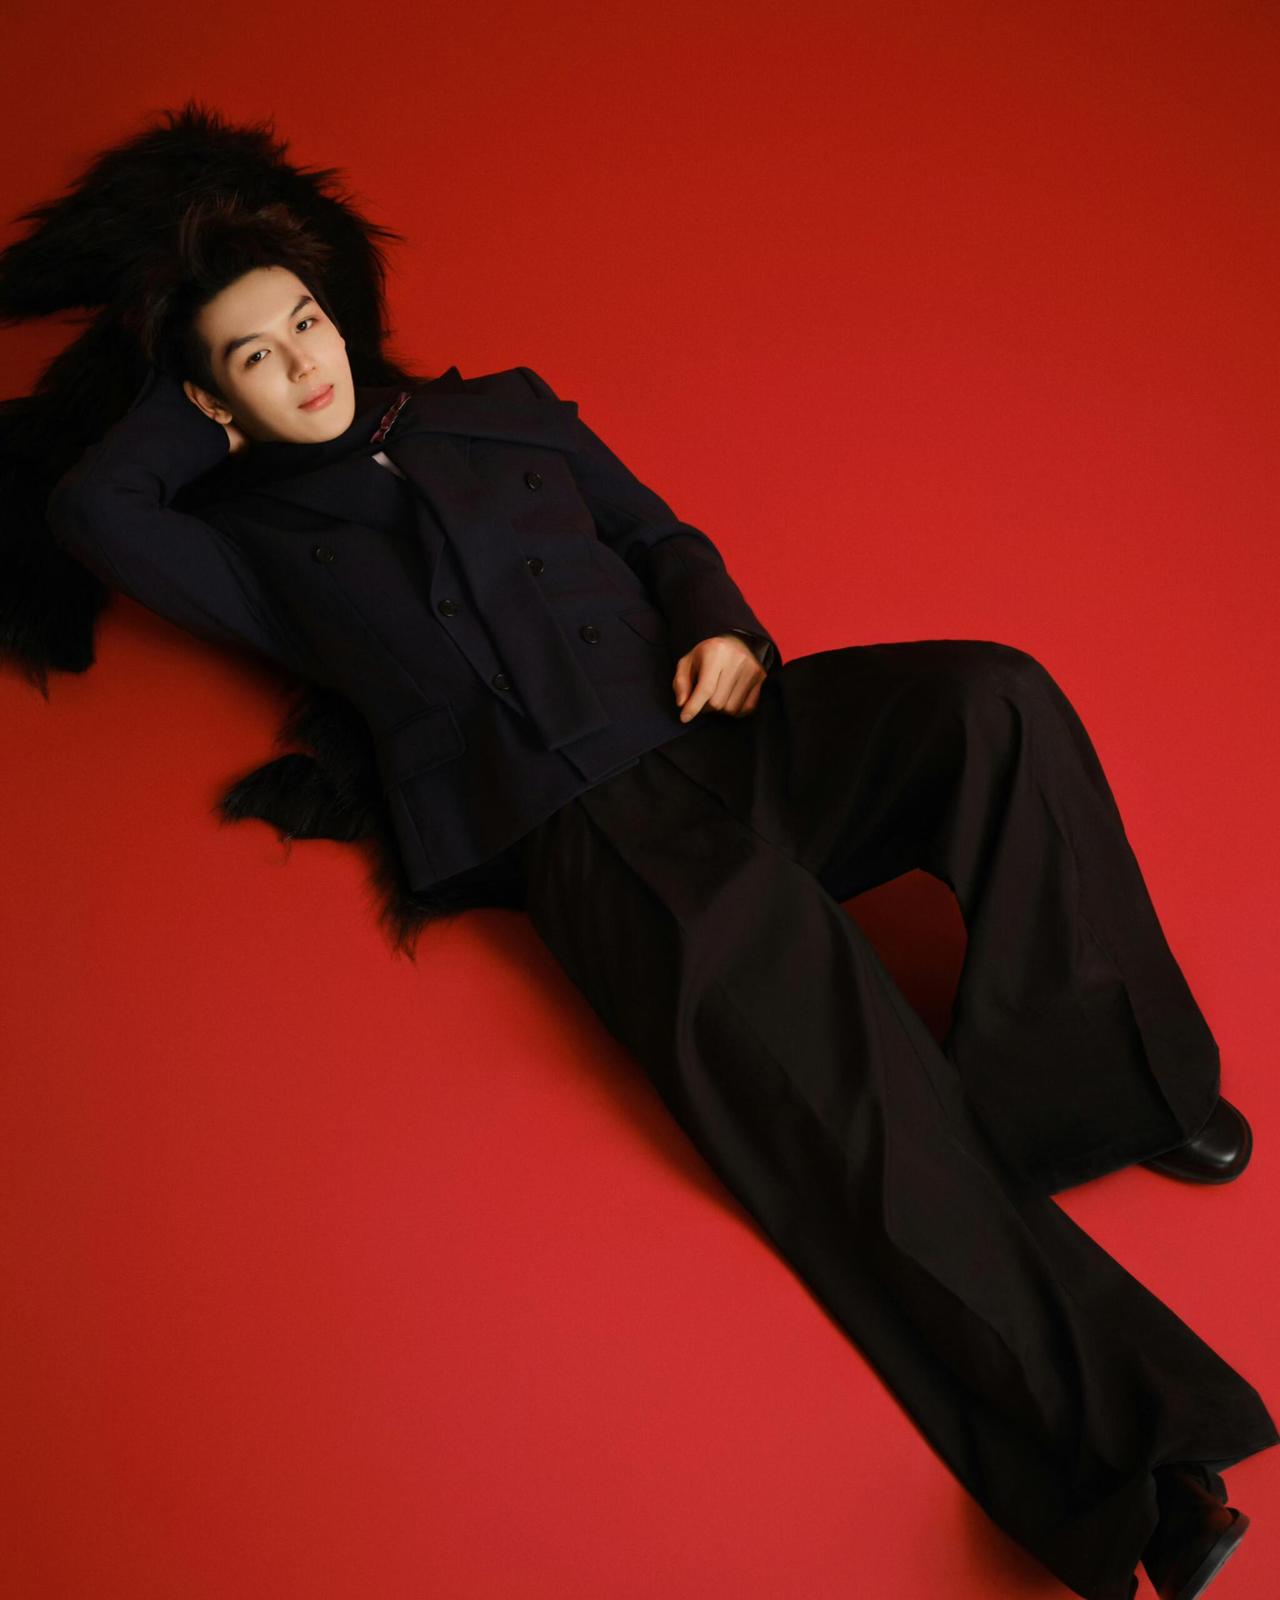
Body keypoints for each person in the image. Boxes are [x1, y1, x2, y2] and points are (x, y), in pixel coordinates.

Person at [45, 201, 1277, 1600]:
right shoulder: (250, 545)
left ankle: (1102, 1093)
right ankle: (1135, 1476)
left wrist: (719, 623)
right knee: (854, 1107)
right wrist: (194, 401)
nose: (303, 361)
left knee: (993, 700)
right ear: (215, 399)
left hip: (728, 730)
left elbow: (652, 529)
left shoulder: (500, 408)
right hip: (591, 827)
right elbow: (92, 509)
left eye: (306, 323)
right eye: (254, 357)